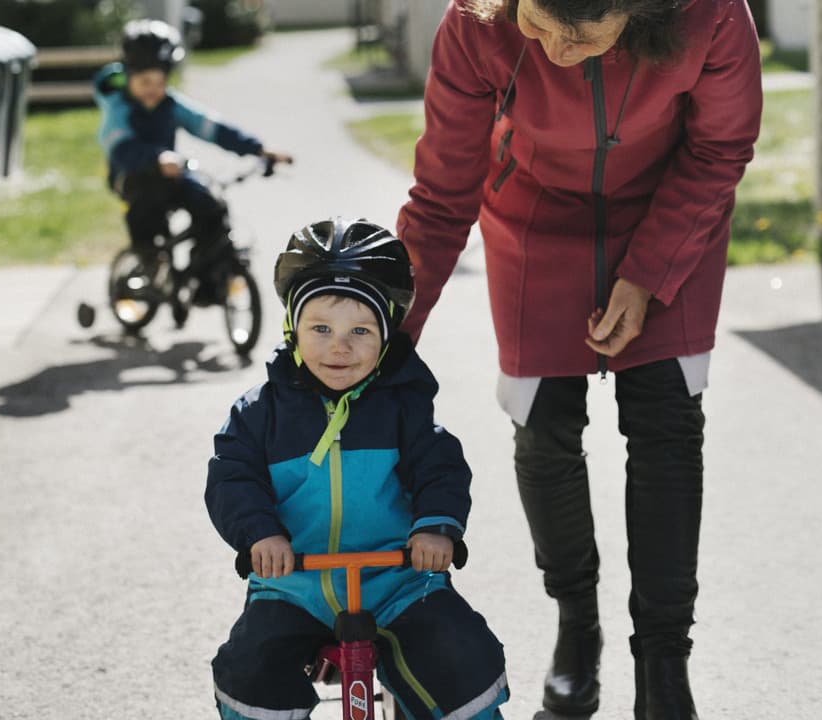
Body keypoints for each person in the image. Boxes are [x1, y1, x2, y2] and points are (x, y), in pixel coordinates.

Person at [395, 1, 762, 718]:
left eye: (583, 35)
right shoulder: (476, 21)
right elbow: (442, 195)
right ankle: (576, 626)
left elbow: (721, 147)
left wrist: (650, 271)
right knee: (544, 426)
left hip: (671, 211)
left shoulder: (711, 14)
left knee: (667, 425)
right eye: (537, 25)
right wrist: (385, 339)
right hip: (531, 219)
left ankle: (664, 661)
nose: (558, 51)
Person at [205, 218, 509, 720]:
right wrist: (260, 535)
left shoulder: (403, 408)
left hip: (397, 581)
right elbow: (232, 476)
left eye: (360, 331)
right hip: (294, 584)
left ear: (386, 338)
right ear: (292, 330)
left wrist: (435, 528)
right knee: (250, 668)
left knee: (458, 653)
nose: (339, 347)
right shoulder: (260, 413)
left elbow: (441, 469)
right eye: (320, 328)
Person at [92, 18, 291, 305]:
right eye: (145, 82)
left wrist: (258, 148)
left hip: (171, 173)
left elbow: (210, 127)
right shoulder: (119, 108)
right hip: (134, 176)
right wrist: (156, 157)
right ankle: (149, 261)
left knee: (210, 204)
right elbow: (121, 148)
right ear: (128, 76)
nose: (153, 89)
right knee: (145, 209)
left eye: (160, 82)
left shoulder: (170, 105)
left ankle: (207, 281)